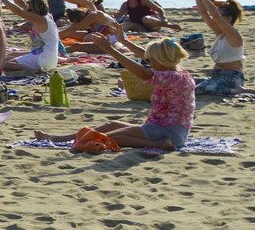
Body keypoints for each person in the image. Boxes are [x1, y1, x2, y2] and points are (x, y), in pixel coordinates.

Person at [35, 37, 194, 151]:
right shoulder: (177, 72)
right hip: (162, 127)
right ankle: (60, 138)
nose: (149, 63)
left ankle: (160, 145)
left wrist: (110, 50)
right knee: (111, 124)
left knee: (106, 137)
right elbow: (144, 57)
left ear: (161, 60)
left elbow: (144, 74)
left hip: (168, 131)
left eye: (152, 60)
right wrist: (123, 40)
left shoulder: (173, 77)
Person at [191, 0, 244, 96]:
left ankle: (239, 91)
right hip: (217, 76)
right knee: (187, 81)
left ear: (229, 18)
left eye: (221, 16)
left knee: (201, 89)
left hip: (232, 77)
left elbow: (215, 15)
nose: (215, 19)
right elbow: (204, 13)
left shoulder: (234, 35)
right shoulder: (219, 33)